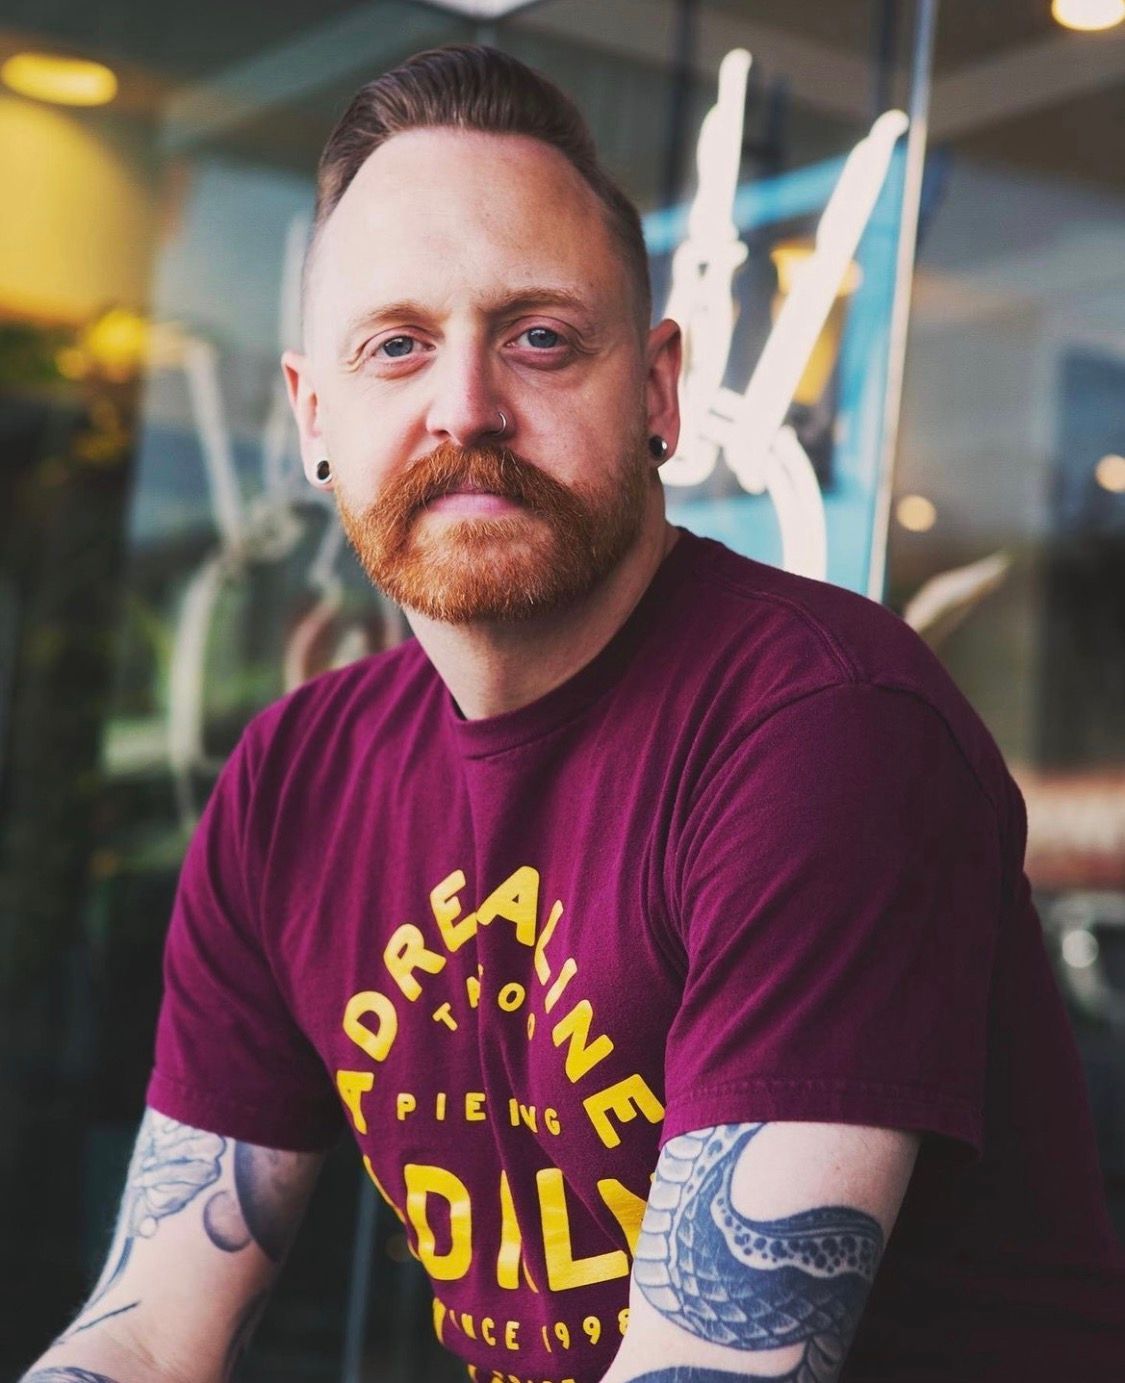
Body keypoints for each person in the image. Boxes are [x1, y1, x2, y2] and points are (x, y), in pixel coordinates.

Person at [22, 43, 1125, 1383]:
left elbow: (706, 1371)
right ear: (315, 415)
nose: (466, 408)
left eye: (539, 338)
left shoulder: (825, 730)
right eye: (397, 347)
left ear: (656, 391)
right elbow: (147, 1325)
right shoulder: (293, 781)